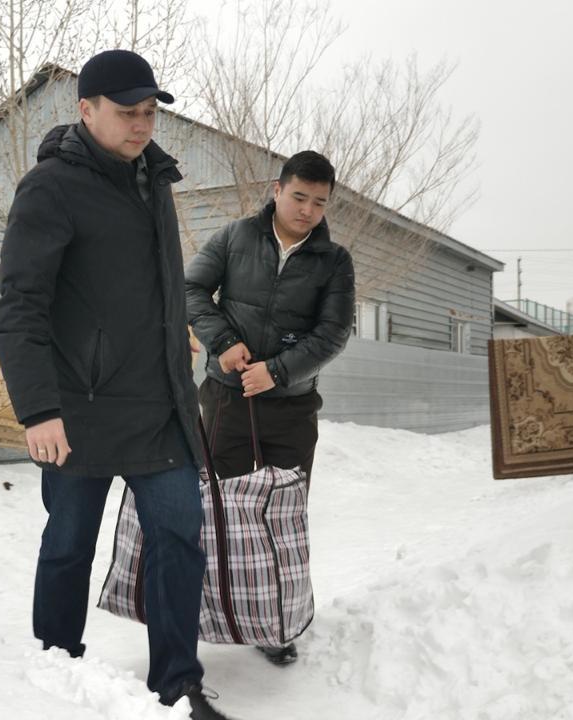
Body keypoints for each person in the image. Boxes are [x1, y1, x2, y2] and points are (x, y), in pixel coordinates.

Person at [0, 49, 231, 720]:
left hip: (158, 405)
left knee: (179, 540)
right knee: (69, 544)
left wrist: (174, 335)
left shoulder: (155, 179)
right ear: (86, 110)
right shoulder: (50, 188)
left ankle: (177, 684)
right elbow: (20, 307)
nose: (142, 124)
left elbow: (147, 286)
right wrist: (38, 409)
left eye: (150, 111)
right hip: (78, 409)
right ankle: (56, 668)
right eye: (128, 112)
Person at [184, 150, 356, 666]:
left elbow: (333, 333)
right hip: (227, 399)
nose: (307, 210)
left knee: (282, 517)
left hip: (291, 408)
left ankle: (274, 624)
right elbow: (191, 289)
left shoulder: (334, 261)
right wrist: (222, 342)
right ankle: (212, 610)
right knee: (220, 510)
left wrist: (277, 372)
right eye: (299, 197)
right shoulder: (234, 237)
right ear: (277, 190)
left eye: (319, 202)